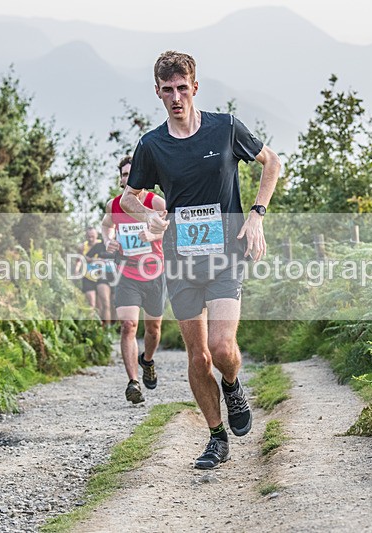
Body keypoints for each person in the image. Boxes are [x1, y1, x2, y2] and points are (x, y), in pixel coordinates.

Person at [120, 51, 280, 469]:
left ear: (195, 87)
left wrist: (257, 216)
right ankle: (216, 437)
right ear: (157, 91)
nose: (176, 97)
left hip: (226, 255)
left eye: (182, 88)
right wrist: (149, 215)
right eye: (167, 90)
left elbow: (272, 163)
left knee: (222, 348)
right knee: (197, 357)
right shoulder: (151, 145)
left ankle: (232, 384)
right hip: (181, 262)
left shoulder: (225, 128)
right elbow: (128, 198)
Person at [101, 155, 167, 404]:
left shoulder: (154, 201)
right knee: (128, 325)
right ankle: (133, 382)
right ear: (121, 180)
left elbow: (168, 224)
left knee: (153, 329)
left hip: (154, 273)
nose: (129, 178)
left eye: (133, 173)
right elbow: (106, 226)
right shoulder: (114, 205)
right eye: (125, 175)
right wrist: (109, 241)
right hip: (127, 274)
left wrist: (151, 234)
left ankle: (147, 360)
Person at [79, 227, 116, 325]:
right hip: (102, 277)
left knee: (115, 304)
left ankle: (117, 328)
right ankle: (107, 330)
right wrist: (97, 260)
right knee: (106, 304)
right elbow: (86, 257)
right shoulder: (99, 246)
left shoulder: (118, 246)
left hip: (117, 277)